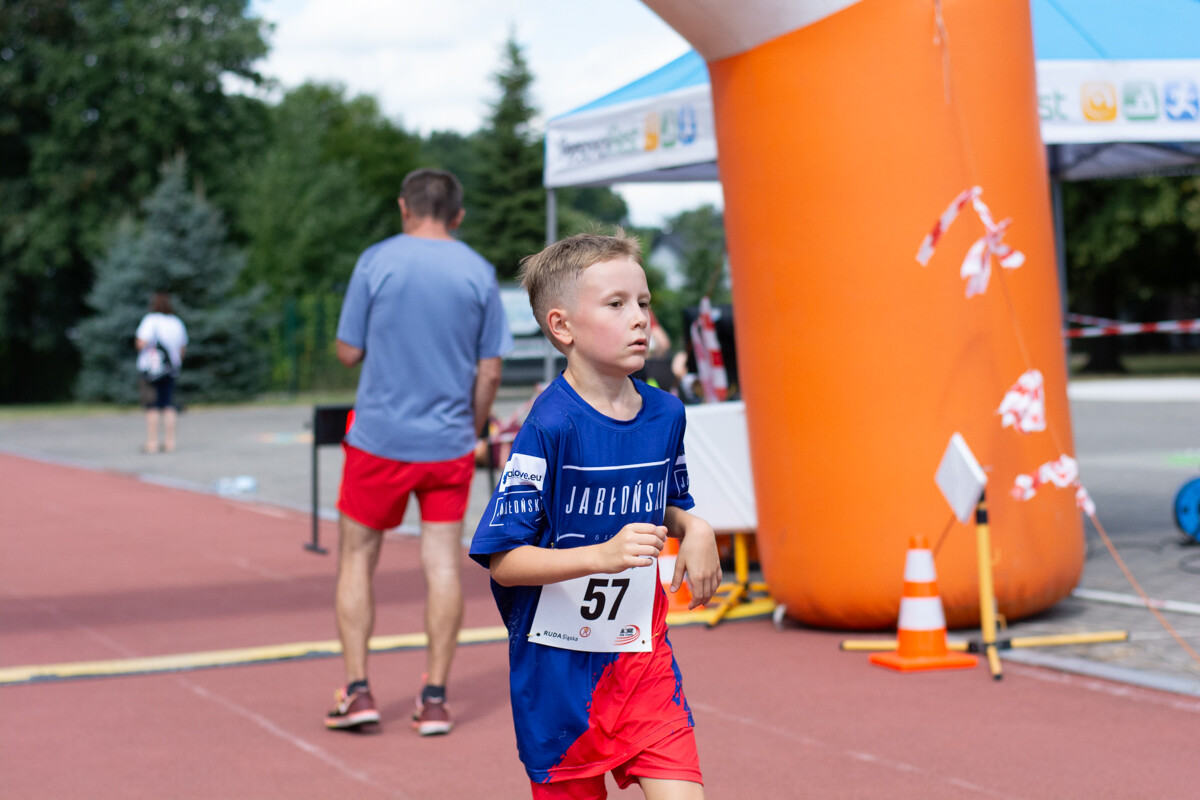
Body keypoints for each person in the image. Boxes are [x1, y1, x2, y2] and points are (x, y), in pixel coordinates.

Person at [470, 231, 721, 799]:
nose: (640, 319)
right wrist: (602, 557)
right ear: (563, 328)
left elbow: (669, 502)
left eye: (644, 302)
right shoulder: (548, 425)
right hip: (558, 675)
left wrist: (696, 527)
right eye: (616, 304)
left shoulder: (666, 413)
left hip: (642, 661)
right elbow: (504, 561)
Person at [326, 168, 512, 735]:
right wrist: (473, 429)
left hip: (379, 440)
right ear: (457, 215)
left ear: (404, 208)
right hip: (448, 444)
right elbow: (491, 370)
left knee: (357, 557)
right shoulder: (479, 272)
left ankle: (358, 692)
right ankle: (434, 698)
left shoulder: (375, 261)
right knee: (441, 562)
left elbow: (347, 352)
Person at [135, 292, 188, 454]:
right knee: (169, 404)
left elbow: (140, 343)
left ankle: (152, 443)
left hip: (152, 370)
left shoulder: (150, 321)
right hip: (170, 369)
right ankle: (170, 442)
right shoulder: (176, 322)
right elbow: (182, 348)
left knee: (152, 406)